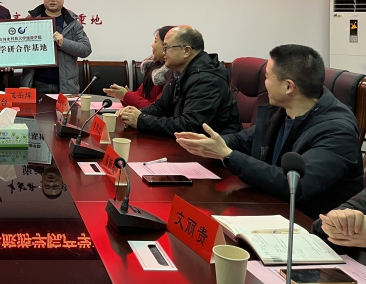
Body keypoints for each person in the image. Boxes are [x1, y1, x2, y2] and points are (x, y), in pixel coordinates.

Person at [176, 44, 363, 219]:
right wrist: (211, 144)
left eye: (267, 77)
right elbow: (245, 140)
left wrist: (228, 155)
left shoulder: (338, 131)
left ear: (288, 87)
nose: (264, 84)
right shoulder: (282, 110)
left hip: (311, 225)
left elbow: (295, 185)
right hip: (270, 206)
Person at [118, 25, 240, 137]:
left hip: (216, 148)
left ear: (187, 51)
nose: (163, 52)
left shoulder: (207, 80)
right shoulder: (177, 71)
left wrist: (141, 120)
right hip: (190, 144)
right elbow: (160, 107)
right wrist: (135, 114)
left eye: (166, 48)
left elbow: (189, 127)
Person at [20, 0, 92, 94]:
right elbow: (19, 48)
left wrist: (63, 42)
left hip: (65, 87)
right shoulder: (30, 21)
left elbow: (86, 49)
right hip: (35, 84)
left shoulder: (72, 22)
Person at [103, 25, 174, 108]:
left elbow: (154, 109)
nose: (152, 45)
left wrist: (127, 96)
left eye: (155, 41)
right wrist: (124, 95)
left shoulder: (171, 75)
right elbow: (139, 96)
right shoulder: (154, 68)